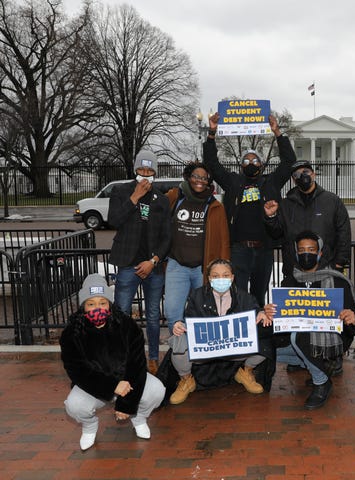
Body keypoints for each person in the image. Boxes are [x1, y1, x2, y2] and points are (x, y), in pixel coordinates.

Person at [60, 274, 166, 451]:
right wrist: (111, 387)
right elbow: (77, 370)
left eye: (102, 302)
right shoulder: (72, 333)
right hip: (95, 387)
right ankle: (89, 426)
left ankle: (138, 417)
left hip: (128, 383)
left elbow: (137, 365)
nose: (97, 308)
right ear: (83, 307)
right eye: (91, 304)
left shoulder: (127, 325)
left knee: (157, 390)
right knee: (74, 406)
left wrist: (127, 404)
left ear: (109, 304)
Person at [203, 112, 296, 307]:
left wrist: (277, 132)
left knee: (258, 297)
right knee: (239, 297)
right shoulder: (233, 182)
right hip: (239, 250)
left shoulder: (271, 182)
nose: (250, 164)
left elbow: (288, 163)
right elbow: (212, 163)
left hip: (264, 249)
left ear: (261, 165)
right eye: (246, 161)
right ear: (240, 165)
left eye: (255, 161)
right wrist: (212, 133)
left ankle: (259, 335)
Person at [167, 258, 275, 405]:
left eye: (225, 275)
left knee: (266, 332)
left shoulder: (244, 296)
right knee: (178, 339)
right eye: (216, 276)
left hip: (235, 349)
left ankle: (246, 371)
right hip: (206, 350)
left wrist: (261, 313)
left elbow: (255, 311)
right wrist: (179, 324)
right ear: (209, 278)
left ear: (232, 277)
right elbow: (189, 322)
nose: (221, 279)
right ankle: (186, 380)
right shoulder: (197, 296)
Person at [275, 231, 355, 409]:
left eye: (311, 249)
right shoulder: (289, 282)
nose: (307, 254)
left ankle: (322, 382)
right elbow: (281, 321)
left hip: (331, 340)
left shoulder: (337, 281)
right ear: (297, 254)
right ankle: (320, 365)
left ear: (320, 253)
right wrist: (269, 313)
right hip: (300, 340)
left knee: (297, 337)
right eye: (302, 250)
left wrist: (352, 320)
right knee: (264, 347)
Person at [108, 150, 171, 375]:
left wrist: (154, 261)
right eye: (142, 170)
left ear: (155, 172)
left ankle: (153, 357)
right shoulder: (121, 191)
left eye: (150, 170)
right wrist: (134, 197)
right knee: (122, 313)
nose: (145, 174)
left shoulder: (161, 199)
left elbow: (167, 236)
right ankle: (124, 358)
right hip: (127, 263)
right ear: (135, 170)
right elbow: (113, 220)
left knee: (153, 315)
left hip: (152, 266)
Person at [164, 161, 230, 333]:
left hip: (203, 269)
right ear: (188, 177)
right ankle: (179, 354)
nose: (199, 180)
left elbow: (223, 241)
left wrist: (223, 270)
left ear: (209, 181)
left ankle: (196, 353)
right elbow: (157, 222)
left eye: (204, 177)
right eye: (195, 176)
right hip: (177, 266)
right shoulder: (174, 197)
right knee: (172, 312)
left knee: (202, 313)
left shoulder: (215, 206)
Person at [264, 160, 351, 278]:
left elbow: (343, 232)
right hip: (295, 270)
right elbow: (276, 233)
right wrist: (271, 217)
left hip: (325, 269)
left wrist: (340, 262)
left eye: (306, 171)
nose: (302, 176)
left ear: (314, 174)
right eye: (297, 174)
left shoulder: (332, 201)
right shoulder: (286, 204)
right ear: (294, 180)